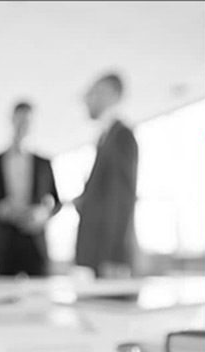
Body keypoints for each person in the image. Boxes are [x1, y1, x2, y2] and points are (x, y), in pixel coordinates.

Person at [0, 101, 61, 276]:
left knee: (40, 292)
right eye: (19, 119)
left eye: (27, 121)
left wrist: (43, 214)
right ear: (12, 120)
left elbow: (57, 203)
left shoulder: (44, 164)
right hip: (4, 242)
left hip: (36, 242)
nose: (23, 125)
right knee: (2, 292)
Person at [74, 73, 139, 278]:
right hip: (97, 255)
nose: (87, 100)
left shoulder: (121, 136)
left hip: (109, 259)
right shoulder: (105, 138)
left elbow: (122, 198)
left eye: (93, 93)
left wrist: (114, 256)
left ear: (111, 94)